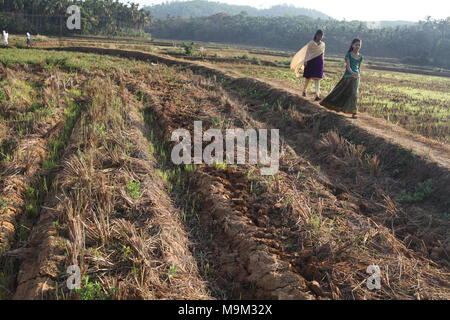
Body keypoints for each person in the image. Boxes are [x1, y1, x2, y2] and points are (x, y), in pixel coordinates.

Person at [320, 39, 364, 119]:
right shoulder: (348, 55)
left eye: (359, 45)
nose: (357, 46)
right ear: (352, 45)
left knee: (354, 94)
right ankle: (329, 103)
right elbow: (348, 66)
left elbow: (359, 67)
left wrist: (358, 75)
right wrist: (353, 73)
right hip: (348, 76)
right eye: (356, 44)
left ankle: (354, 112)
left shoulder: (361, 57)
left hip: (356, 78)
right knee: (340, 91)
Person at [290, 30, 325, 101]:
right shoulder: (311, 43)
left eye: (321, 36)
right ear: (316, 35)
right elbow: (307, 53)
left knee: (317, 79)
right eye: (319, 35)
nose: (320, 37)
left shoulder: (323, 44)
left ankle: (317, 95)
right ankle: (304, 91)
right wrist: (305, 61)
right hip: (311, 61)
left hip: (319, 62)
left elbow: (323, 54)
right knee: (308, 78)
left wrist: (323, 62)